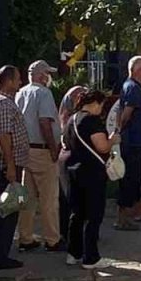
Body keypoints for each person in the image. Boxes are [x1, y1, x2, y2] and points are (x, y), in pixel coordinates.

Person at [64, 90, 119, 270]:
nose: (101, 110)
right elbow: (102, 146)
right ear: (95, 103)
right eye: (102, 105)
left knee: (77, 213)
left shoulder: (71, 120)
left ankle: (74, 253)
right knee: (94, 215)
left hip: (74, 170)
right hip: (92, 172)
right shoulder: (91, 121)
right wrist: (113, 140)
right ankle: (91, 257)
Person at [14, 60, 63, 252]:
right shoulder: (43, 93)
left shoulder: (20, 93)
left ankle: (25, 238)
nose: (48, 77)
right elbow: (44, 122)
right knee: (49, 198)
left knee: (28, 198)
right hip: (42, 151)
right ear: (41, 75)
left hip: (25, 150)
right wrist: (52, 148)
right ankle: (52, 239)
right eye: (47, 73)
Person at [0, 66, 29, 268]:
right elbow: (4, 136)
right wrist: (10, 166)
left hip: (6, 165)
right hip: (5, 167)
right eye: (18, 79)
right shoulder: (2, 104)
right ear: (8, 81)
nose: (20, 84)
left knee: (5, 209)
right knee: (8, 210)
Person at [115, 56, 141, 230]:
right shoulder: (133, 88)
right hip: (132, 142)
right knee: (129, 178)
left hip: (137, 141)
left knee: (136, 177)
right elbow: (125, 113)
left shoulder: (133, 87)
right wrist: (119, 130)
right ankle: (122, 218)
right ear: (138, 70)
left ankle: (138, 212)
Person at [57, 86, 88, 238]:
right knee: (69, 199)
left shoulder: (69, 118)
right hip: (73, 160)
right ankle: (68, 232)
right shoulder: (74, 120)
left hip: (67, 159)